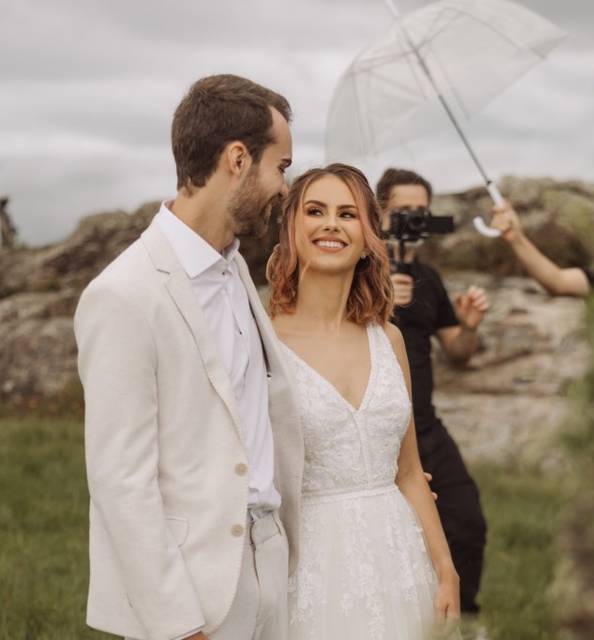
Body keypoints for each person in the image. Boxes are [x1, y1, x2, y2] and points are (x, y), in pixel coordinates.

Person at [74, 74, 302, 640]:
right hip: (195, 590)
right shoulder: (122, 294)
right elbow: (119, 480)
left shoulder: (237, 271)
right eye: (282, 167)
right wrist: (177, 624)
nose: (284, 188)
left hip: (271, 561)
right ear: (237, 159)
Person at [268, 164, 460, 639]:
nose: (331, 224)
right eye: (316, 211)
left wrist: (445, 568)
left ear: (368, 235)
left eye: (348, 214)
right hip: (311, 565)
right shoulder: (263, 340)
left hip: (398, 555)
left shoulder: (389, 338)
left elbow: (409, 471)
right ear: (292, 227)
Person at [376, 168, 490, 614]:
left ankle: (460, 614)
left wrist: (470, 327)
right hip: (379, 429)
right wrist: (383, 300)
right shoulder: (354, 272)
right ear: (378, 212)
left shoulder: (429, 277)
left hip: (425, 424)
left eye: (422, 213)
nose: (413, 221)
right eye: (403, 212)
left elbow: (457, 351)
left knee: (466, 522)